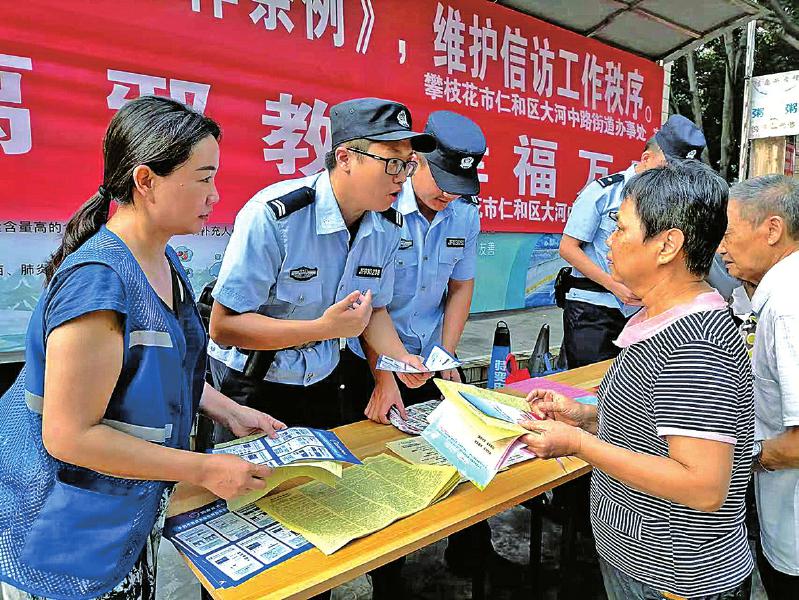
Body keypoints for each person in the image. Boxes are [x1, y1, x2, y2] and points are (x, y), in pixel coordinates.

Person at [0, 96, 285, 600]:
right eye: (203, 178)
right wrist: (205, 469)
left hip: (126, 502)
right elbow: (69, 437)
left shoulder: (163, 261)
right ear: (146, 180)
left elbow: (161, 367)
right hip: (65, 517)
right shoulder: (98, 285)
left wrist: (229, 410)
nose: (215, 195)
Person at [522, 159, 754, 600]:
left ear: (667, 245)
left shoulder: (694, 346)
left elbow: (703, 485)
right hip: (643, 563)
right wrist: (587, 417)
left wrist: (577, 444)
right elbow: (657, 428)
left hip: (674, 579)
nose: (609, 241)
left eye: (621, 228)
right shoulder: (662, 320)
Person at [339, 111, 515, 592]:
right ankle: (388, 579)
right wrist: (385, 377)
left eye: (460, 186)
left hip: (429, 356)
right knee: (381, 468)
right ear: (415, 161)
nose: (449, 195)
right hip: (371, 359)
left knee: (461, 454)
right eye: (443, 182)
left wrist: (446, 354)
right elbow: (365, 304)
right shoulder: (380, 209)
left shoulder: (464, 213)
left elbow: (461, 286)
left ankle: (472, 555)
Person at [206, 97, 436, 441]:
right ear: (345, 158)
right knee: (250, 476)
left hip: (323, 378)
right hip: (254, 380)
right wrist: (322, 328)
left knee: (322, 473)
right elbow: (224, 327)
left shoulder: (388, 227)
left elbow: (374, 310)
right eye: (391, 163)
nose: (401, 178)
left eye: (408, 164)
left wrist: (399, 360)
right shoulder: (275, 217)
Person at [558, 114, 706, 368]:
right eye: (668, 168)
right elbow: (568, 248)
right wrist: (614, 286)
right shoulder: (604, 192)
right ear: (646, 159)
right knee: (586, 384)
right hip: (593, 308)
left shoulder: (672, 204)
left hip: (642, 310)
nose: (674, 177)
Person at [718, 175, 799, 599]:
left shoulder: (788, 308)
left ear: (772, 230)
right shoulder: (770, 293)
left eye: (728, 233)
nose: (720, 248)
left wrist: (728, 460)